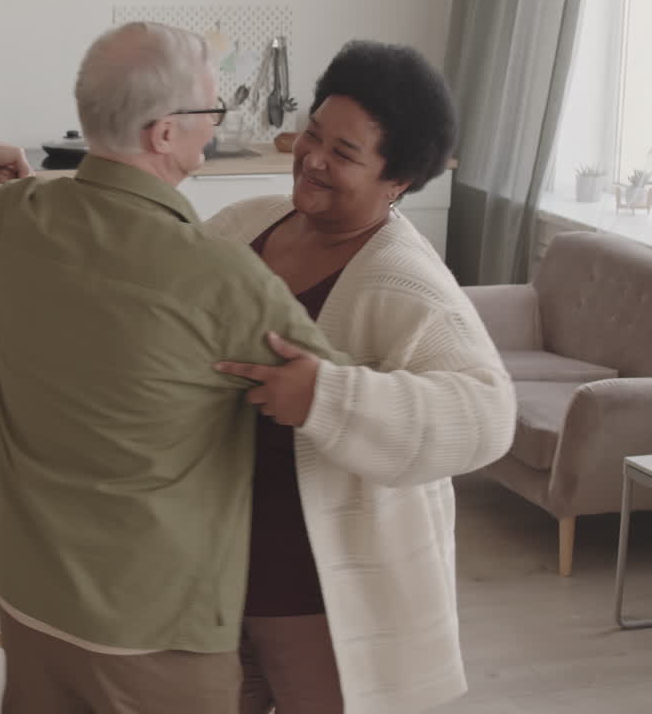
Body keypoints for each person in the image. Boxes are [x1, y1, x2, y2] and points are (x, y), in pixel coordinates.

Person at [0, 21, 347, 714]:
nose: (217, 121)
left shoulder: (13, 219)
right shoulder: (223, 278)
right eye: (212, 107)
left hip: (30, 589)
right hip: (152, 617)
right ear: (163, 133)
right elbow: (343, 402)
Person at [205, 41, 516, 713]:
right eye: (313, 134)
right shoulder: (247, 223)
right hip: (211, 574)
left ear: (396, 181)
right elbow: (155, 280)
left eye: (343, 153)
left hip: (316, 593)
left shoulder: (405, 279)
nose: (313, 158)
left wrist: (327, 396)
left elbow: (488, 416)